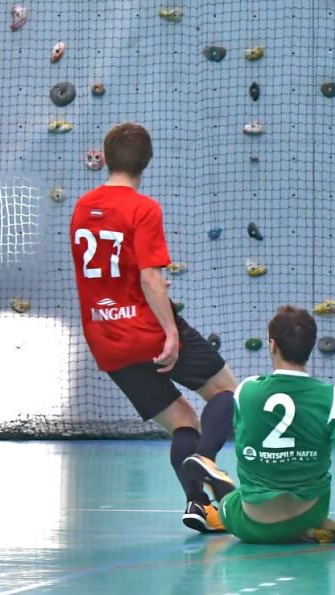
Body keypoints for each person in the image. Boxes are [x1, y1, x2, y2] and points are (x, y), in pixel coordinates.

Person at [69, 121, 238, 534]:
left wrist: (150, 285)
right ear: (146, 162)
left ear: (105, 158)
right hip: (146, 330)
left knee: (183, 420)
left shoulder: (82, 207)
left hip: (106, 340)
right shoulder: (144, 208)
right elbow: (148, 277)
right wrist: (171, 333)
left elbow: (108, 273)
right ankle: (207, 459)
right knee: (227, 392)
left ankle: (199, 506)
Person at [189, 305, 335, 545]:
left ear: (272, 345)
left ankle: (220, 496)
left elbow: (244, 440)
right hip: (310, 511)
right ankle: (310, 527)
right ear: (311, 347)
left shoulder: (246, 391)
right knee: (311, 487)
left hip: (253, 524)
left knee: (230, 503)